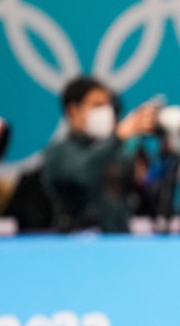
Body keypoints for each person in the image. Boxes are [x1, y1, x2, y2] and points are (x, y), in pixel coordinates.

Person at [40, 76, 158, 233]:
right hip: (73, 248)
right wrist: (117, 137)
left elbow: (146, 190)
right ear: (73, 111)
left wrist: (165, 154)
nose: (106, 112)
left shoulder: (120, 151)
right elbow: (83, 172)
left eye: (108, 105)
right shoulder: (58, 153)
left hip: (119, 245)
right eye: (97, 105)